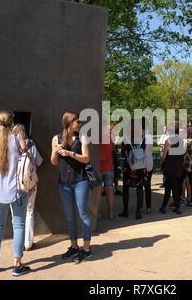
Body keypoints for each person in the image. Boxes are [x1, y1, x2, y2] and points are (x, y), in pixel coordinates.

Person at [0, 109, 31, 276]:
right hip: (17, 191)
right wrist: (20, 134)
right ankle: (17, 265)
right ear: (12, 122)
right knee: (18, 226)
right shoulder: (16, 138)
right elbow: (27, 155)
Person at [51, 111, 92, 263]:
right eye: (76, 121)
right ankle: (74, 246)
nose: (79, 124)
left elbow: (87, 158)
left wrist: (70, 153)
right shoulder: (56, 138)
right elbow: (54, 162)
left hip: (81, 180)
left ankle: (86, 249)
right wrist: (56, 152)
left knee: (83, 214)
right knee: (70, 216)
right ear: (68, 123)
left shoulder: (82, 137)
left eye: (79, 121)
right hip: (64, 182)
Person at [12, 124, 43, 251]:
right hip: (30, 183)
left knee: (16, 214)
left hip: (14, 184)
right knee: (29, 211)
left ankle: (17, 242)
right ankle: (28, 243)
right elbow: (39, 162)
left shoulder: (10, 146)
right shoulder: (30, 144)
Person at [118, 119, 147, 220]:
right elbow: (144, 150)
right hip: (140, 165)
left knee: (126, 188)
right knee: (140, 189)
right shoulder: (143, 138)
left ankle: (125, 210)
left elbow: (122, 153)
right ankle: (138, 212)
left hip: (129, 166)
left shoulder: (126, 139)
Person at [159, 121, 185, 214]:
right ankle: (164, 206)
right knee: (173, 187)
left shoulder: (168, 141)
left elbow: (164, 156)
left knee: (170, 187)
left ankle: (175, 207)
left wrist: (161, 159)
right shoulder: (181, 140)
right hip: (178, 166)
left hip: (169, 167)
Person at [99, 124, 116, 220]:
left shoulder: (96, 137)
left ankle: (97, 213)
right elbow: (112, 147)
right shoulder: (110, 138)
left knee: (98, 191)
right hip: (109, 166)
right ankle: (111, 212)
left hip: (99, 167)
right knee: (109, 189)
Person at [144, 118, 154, 214]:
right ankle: (148, 206)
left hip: (144, 162)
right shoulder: (149, 135)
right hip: (149, 161)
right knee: (148, 186)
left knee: (142, 186)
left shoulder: (143, 136)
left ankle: (143, 206)